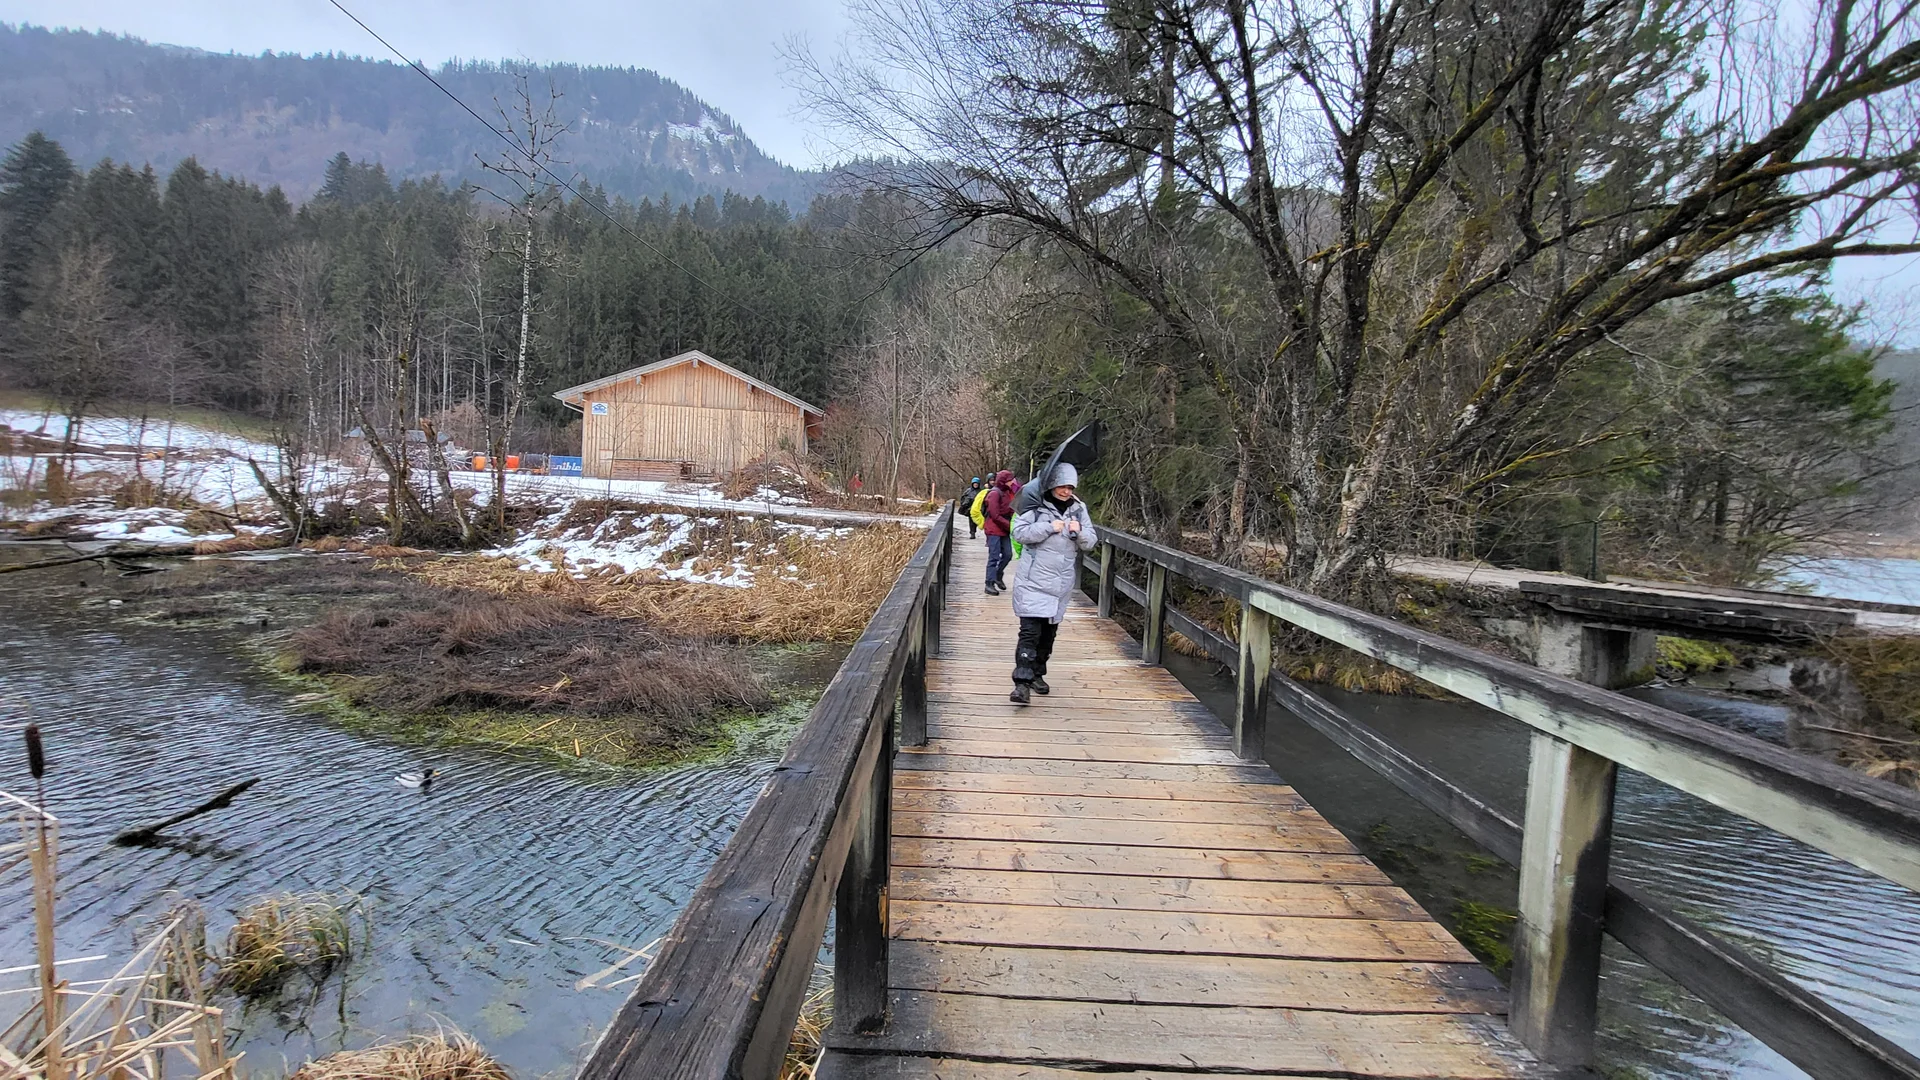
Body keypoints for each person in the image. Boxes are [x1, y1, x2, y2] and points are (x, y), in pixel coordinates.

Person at [1008, 463, 1096, 703]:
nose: (1066, 491)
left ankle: (1037, 674)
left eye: (1070, 487)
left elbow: (1090, 542)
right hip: (1033, 582)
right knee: (1029, 633)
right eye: (1061, 486)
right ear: (1052, 485)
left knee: (1048, 635)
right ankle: (1022, 684)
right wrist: (1048, 527)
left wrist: (1080, 532)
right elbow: (1020, 533)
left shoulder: (1079, 510)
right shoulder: (1035, 506)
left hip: (1060, 584)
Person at [982, 469, 1018, 594]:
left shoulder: (1008, 493)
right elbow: (994, 514)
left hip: (1004, 529)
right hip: (993, 529)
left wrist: (1015, 520)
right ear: (1004, 481)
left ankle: (997, 574)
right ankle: (989, 583)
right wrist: (1010, 525)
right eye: (1009, 480)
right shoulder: (994, 494)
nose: (1012, 482)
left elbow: (1010, 509)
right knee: (994, 556)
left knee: (1008, 554)